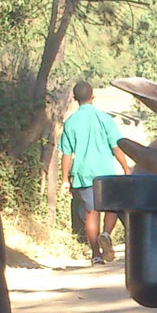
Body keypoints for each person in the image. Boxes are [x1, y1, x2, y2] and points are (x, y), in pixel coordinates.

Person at [59, 81, 130, 265]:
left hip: (83, 174)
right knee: (112, 207)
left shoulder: (70, 123)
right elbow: (116, 146)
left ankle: (96, 255)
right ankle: (106, 234)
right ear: (93, 96)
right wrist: (126, 168)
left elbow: (66, 154)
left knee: (91, 213)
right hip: (105, 172)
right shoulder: (104, 119)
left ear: (75, 99)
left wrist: (64, 179)